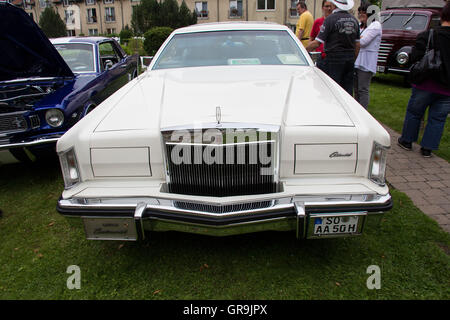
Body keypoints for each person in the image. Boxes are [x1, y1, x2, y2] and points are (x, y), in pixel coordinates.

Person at [397, 1, 450, 158]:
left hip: (425, 83)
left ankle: (407, 140)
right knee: (438, 119)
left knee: (415, 112)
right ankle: (427, 148)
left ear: (442, 16)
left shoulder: (428, 35)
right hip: (447, 88)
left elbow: (416, 57)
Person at [305, 0, 360, 95]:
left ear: (334, 5)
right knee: (347, 90)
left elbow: (317, 42)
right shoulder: (354, 20)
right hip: (350, 58)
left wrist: (303, 50)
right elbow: (358, 45)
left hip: (334, 59)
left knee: (333, 90)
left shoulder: (330, 19)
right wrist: (353, 58)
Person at [354, 2, 382, 109]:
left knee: (363, 89)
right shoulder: (360, 27)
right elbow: (357, 40)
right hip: (357, 61)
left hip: (366, 62)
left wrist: (357, 40)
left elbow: (363, 42)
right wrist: (357, 40)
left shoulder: (375, 26)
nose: (361, 15)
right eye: (359, 13)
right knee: (356, 90)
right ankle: (357, 110)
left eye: (363, 13)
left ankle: (363, 112)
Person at [309, 0, 333, 70]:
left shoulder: (335, 22)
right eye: (327, 6)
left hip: (332, 58)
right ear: (322, 8)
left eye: (330, 6)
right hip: (320, 57)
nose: (329, 8)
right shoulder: (318, 22)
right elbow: (311, 38)